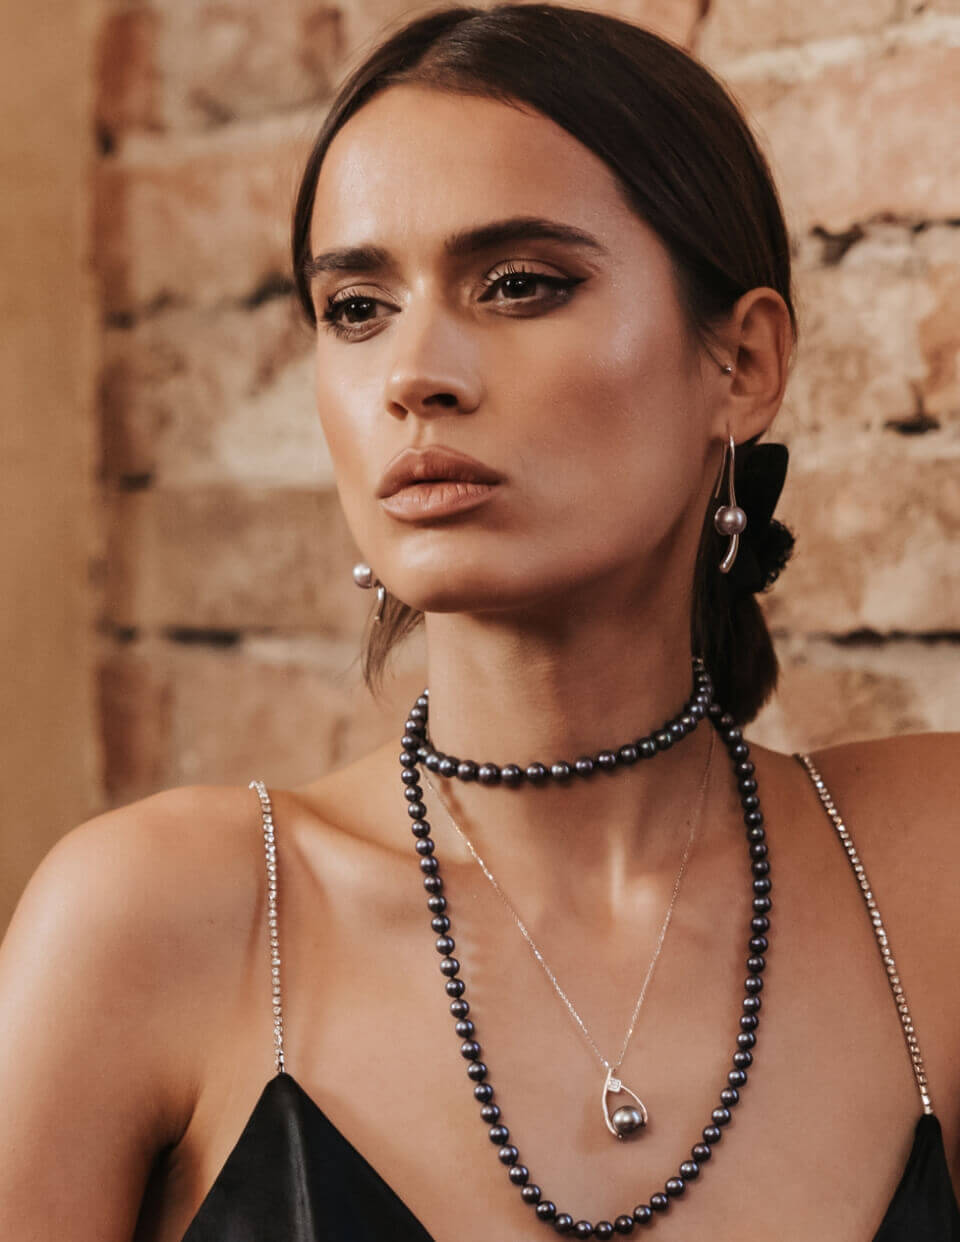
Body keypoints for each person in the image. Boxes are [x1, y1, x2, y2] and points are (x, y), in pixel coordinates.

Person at [0, 4, 957, 1239]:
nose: (414, 372)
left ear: (743, 363)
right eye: (357, 308)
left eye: (518, 285)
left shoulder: (923, 874)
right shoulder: (161, 919)